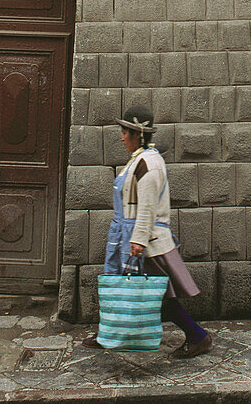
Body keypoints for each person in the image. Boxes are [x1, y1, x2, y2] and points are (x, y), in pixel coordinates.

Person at [82, 106, 213, 358]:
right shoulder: (138, 160)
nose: (121, 138)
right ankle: (108, 333)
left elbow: (148, 207)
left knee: (157, 295)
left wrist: (138, 241)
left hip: (146, 242)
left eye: (125, 133)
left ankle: (198, 336)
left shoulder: (149, 164)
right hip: (128, 236)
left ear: (138, 134)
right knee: (119, 286)